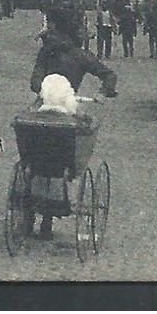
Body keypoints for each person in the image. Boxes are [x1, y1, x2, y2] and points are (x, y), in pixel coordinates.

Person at [23, 13, 117, 239]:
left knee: (33, 146)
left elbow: (35, 80)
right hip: (68, 111)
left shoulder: (46, 53)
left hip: (43, 107)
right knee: (67, 150)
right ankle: (49, 215)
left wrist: (44, 90)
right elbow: (108, 75)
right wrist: (103, 92)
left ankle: (31, 207)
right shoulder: (82, 56)